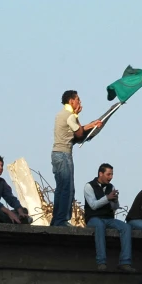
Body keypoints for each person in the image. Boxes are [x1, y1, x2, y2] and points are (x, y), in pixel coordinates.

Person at [50, 90, 102, 226]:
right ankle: (61, 220)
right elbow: (79, 133)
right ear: (71, 101)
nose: (80, 102)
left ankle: (56, 220)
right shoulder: (70, 115)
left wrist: (91, 124)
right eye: (78, 99)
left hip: (57, 154)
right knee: (67, 189)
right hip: (63, 155)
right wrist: (77, 116)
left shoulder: (61, 114)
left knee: (61, 188)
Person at [84, 163, 136, 273]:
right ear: (100, 174)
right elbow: (93, 205)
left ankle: (125, 262)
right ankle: (101, 262)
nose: (110, 177)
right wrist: (107, 198)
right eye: (108, 174)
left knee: (126, 227)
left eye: (112, 174)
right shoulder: (89, 186)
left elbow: (115, 208)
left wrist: (115, 201)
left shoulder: (111, 187)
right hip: (93, 218)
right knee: (100, 226)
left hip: (108, 218)